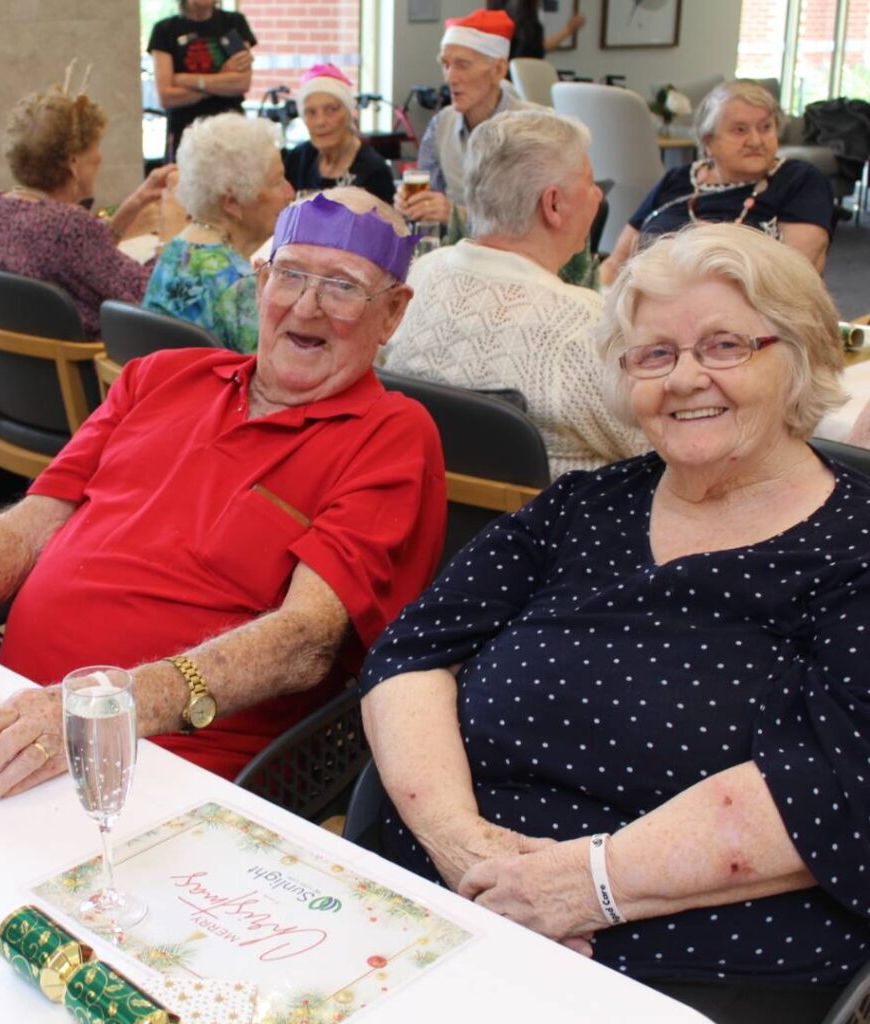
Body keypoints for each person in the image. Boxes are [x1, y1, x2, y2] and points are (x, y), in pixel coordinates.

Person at [360, 223, 870, 1023]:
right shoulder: (586, 506)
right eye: (654, 355)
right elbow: (410, 653)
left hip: (680, 966)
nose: (686, 378)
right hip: (445, 897)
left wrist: (580, 887)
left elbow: (838, 783)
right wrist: (467, 849)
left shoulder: (857, 546)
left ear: (799, 354)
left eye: (726, 345)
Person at [0, 187, 446, 800]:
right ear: (261, 281)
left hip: (159, 762)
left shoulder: (389, 435)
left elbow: (305, 641)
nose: (306, 306)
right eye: (289, 274)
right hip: (6, 708)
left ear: (393, 313)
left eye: (343, 286)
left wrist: (106, 707)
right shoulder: (158, 376)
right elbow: (30, 525)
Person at [384, 110, 647, 477]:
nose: (598, 194)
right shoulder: (584, 328)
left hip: (432, 519)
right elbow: (661, 447)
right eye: (589, 182)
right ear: (553, 205)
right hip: (553, 528)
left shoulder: (417, 279)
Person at [0, 82, 174, 339]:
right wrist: (172, 236)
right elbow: (151, 294)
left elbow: (85, 261)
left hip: (20, 372)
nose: (100, 157)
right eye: (96, 147)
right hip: (89, 371)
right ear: (74, 162)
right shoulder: (67, 226)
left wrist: (135, 203)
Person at [600, 79, 834, 286]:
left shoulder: (798, 180)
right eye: (740, 130)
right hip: (647, 310)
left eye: (765, 128)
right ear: (708, 141)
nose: (755, 141)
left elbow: (793, 279)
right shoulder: (678, 179)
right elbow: (616, 264)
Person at [143, 113, 293, 352]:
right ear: (231, 202)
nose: (289, 192)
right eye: (276, 182)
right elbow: (275, 374)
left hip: (167, 387)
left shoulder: (174, 251)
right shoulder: (238, 283)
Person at [397, 8, 536, 226]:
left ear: (498, 70)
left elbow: (531, 224)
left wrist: (457, 215)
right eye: (446, 65)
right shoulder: (441, 123)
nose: (450, 77)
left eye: (462, 65)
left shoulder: (534, 128)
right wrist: (411, 204)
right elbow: (429, 192)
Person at [148, 0, 256, 159]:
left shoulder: (233, 23)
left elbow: (241, 83)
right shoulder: (165, 30)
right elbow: (167, 96)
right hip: (185, 134)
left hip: (231, 131)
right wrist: (221, 80)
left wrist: (185, 80)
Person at [284, 64, 395, 205]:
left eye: (331, 110)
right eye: (311, 112)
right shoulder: (298, 159)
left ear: (349, 114)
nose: (320, 122)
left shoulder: (374, 171)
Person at [485, 0, 586, 58]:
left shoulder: (500, 14)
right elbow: (535, 49)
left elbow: (538, 47)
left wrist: (568, 30)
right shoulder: (526, 21)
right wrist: (568, 29)